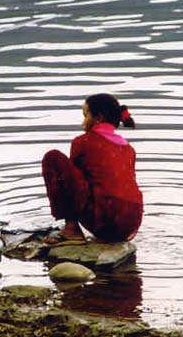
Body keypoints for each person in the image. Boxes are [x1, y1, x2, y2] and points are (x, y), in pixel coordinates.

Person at [41, 93, 143, 244]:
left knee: (53, 158)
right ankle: (114, 236)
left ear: (98, 118)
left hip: (104, 220)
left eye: (85, 115)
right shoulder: (128, 149)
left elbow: (70, 185)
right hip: (131, 223)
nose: (83, 123)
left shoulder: (83, 142)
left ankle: (71, 229)